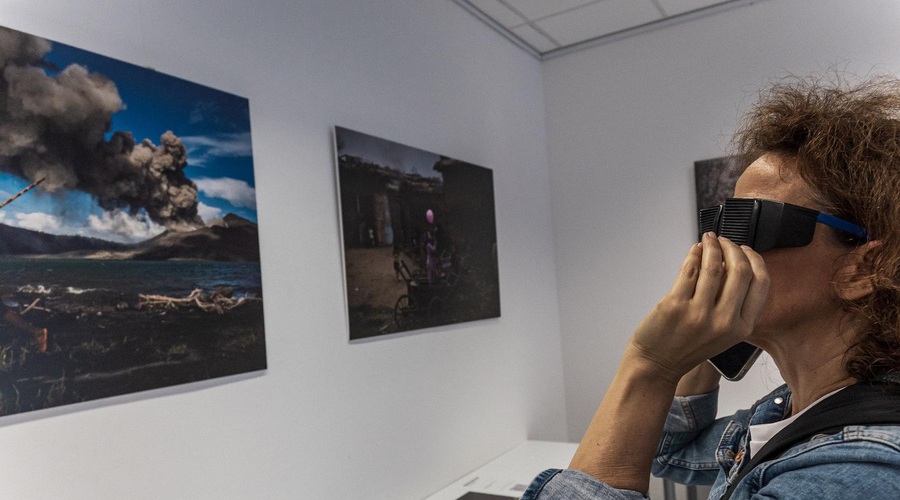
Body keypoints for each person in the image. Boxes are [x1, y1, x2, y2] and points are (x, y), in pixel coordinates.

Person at [523, 74, 900, 499]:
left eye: (751, 224)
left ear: (862, 270)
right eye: (719, 223)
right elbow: (673, 451)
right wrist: (708, 336)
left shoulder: (858, 472)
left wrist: (649, 366)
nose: (722, 248)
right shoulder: (791, 407)